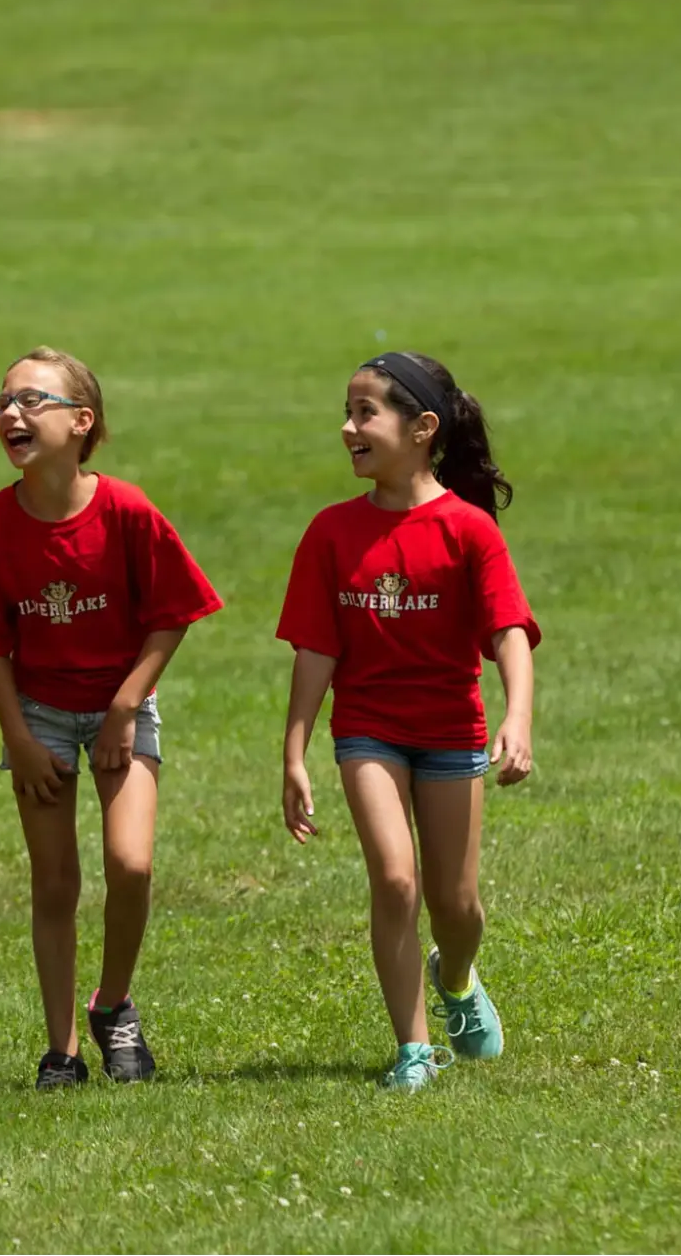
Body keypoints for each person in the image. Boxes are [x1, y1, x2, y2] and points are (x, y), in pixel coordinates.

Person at [0, 347, 223, 1089]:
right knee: (54, 880)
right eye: (2, 401)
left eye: (33, 400)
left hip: (118, 707)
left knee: (130, 863)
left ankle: (116, 1002)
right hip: (36, 713)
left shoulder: (126, 510)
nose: (12, 412)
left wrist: (125, 708)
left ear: (81, 421)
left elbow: (172, 616)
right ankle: (61, 1048)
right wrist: (18, 738)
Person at [277, 351, 540, 1092]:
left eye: (366, 413)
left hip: (450, 730)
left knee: (455, 905)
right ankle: (413, 1048)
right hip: (367, 729)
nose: (348, 427)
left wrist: (517, 718)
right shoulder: (330, 533)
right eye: (347, 411)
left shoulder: (467, 530)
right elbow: (315, 650)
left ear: (422, 428)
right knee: (394, 880)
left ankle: (454, 977)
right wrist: (294, 751)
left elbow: (508, 634)